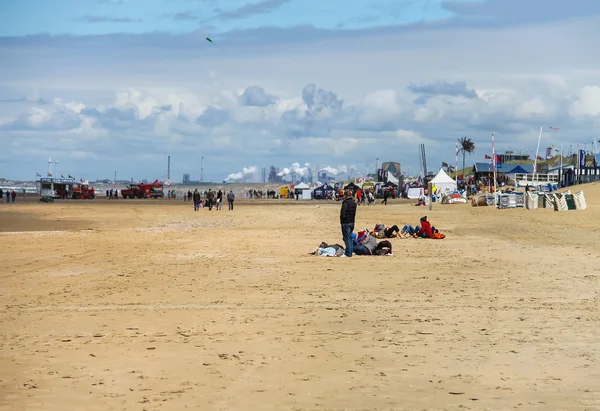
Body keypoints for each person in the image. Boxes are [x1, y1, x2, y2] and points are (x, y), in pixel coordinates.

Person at [339, 190, 357, 258]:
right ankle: (351, 250)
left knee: (346, 238)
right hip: (352, 221)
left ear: (345, 195)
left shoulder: (346, 202)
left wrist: (342, 220)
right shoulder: (353, 202)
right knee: (349, 237)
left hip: (346, 222)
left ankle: (348, 253)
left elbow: (343, 213)